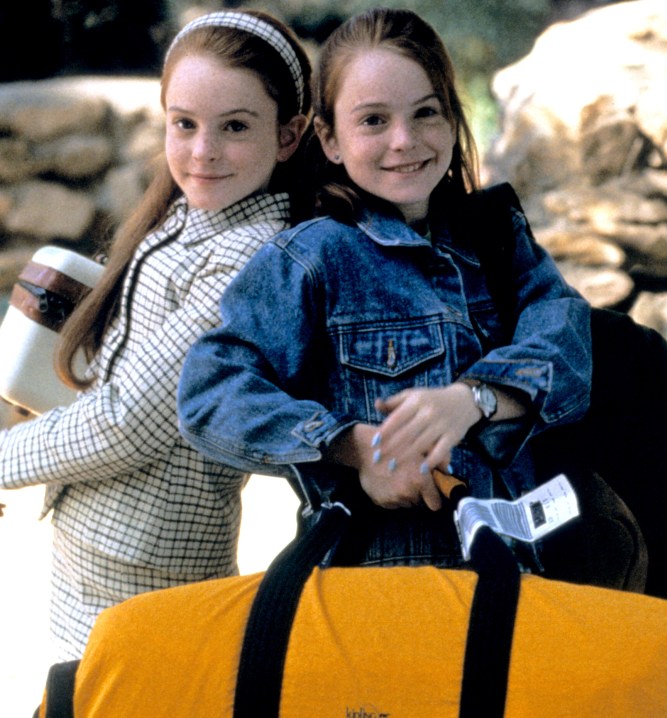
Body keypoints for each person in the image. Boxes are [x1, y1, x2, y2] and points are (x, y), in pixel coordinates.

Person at [177, 7, 592, 570]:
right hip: (377, 588)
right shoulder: (312, 258)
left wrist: (474, 399)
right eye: (373, 120)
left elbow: (568, 341)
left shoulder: (497, 237)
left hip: (522, 576)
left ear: (452, 119)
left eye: (426, 113)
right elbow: (210, 393)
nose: (404, 140)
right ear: (329, 138)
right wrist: (356, 448)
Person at [0, 9, 312, 660]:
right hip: (105, 549)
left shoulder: (248, 258)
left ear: (289, 135)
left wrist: (4, 457)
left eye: (235, 127)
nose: (203, 151)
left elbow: (133, 419)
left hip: (151, 567)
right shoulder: (187, 221)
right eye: (184, 124)